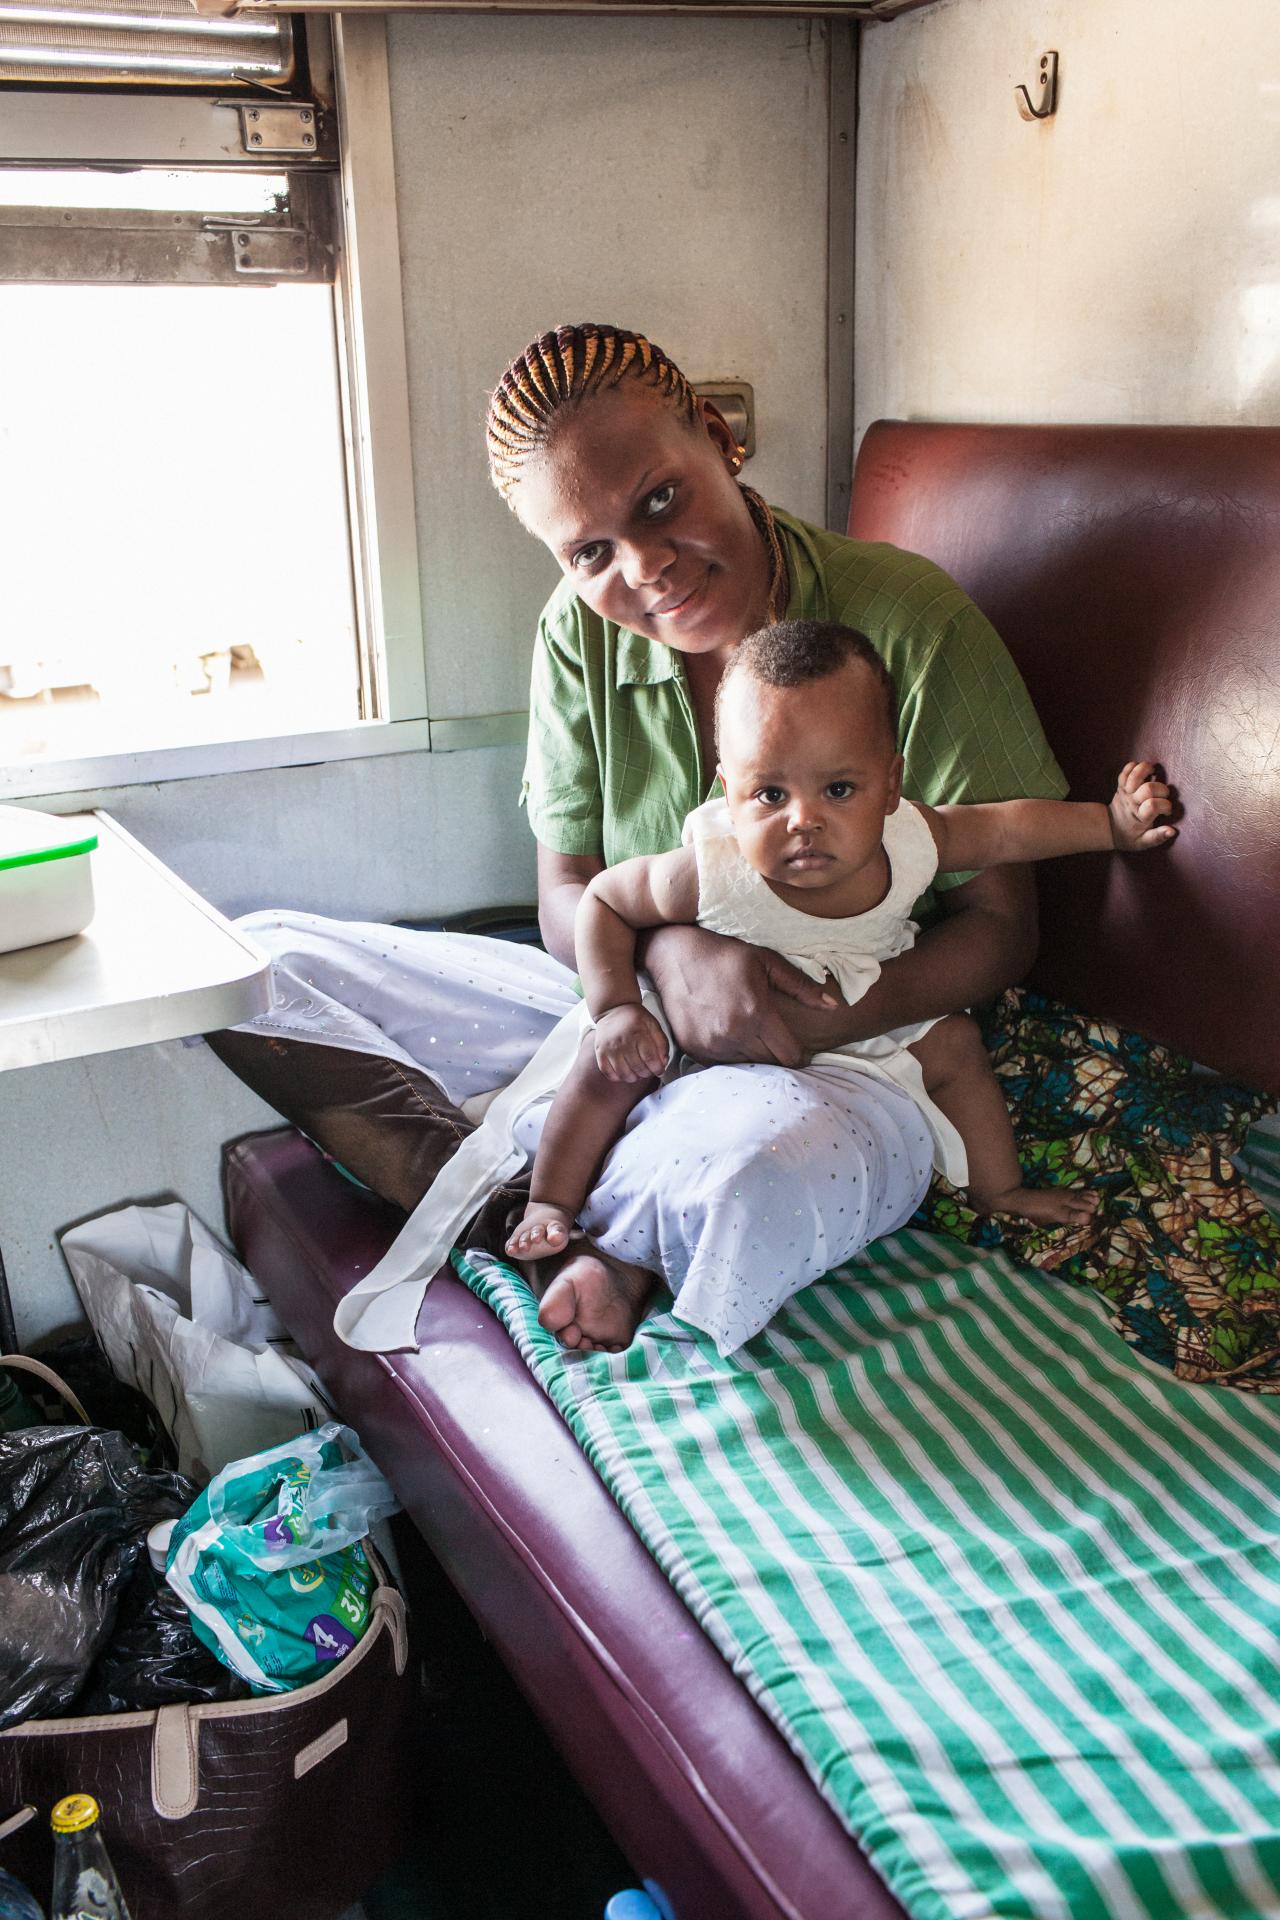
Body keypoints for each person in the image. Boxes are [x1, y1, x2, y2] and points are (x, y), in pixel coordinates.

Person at [208, 321, 1070, 1360]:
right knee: (253, 967)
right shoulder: (576, 635)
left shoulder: (905, 622)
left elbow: (1000, 927)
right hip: (635, 1023)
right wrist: (664, 965)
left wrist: (816, 1024)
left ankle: (561, 1192)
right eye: (590, 552)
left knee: (749, 1173)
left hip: (845, 1057)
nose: (646, 568)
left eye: (659, 500)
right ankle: (547, 1206)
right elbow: (564, 892)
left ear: (716, 437)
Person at [500, 619, 1176, 1353]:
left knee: (955, 1043)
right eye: (768, 794)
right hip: (711, 1033)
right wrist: (616, 1008)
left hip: (860, 1032)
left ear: (891, 784)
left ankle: (998, 1187)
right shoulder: (715, 868)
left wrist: (1110, 826)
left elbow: (1009, 830)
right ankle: (551, 1202)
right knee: (608, 1063)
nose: (803, 821)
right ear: (729, 794)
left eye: (840, 788)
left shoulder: (913, 838)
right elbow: (601, 899)